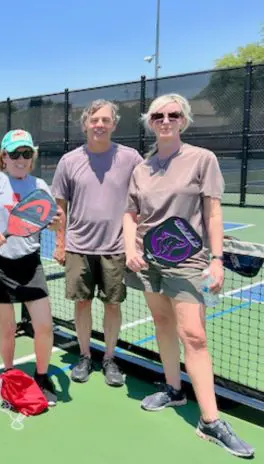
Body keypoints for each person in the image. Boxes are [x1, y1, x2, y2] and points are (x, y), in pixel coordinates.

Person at [123, 93, 254, 458]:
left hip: (188, 262)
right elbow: (130, 214)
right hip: (148, 261)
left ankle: (210, 421)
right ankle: (174, 390)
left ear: (183, 120)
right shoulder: (141, 168)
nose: (165, 120)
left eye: (173, 114)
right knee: (162, 323)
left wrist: (216, 259)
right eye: (158, 115)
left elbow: (212, 213)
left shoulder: (201, 159)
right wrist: (131, 248)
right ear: (150, 121)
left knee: (194, 336)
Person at [50, 100, 143, 387]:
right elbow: (60, 207)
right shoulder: (69, 161)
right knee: (82, 303)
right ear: (86, 124)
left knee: (112, 305)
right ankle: (85, 356)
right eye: (94, 120)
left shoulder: (131, 158)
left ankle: (110, 359)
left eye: (105, 120)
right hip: (78, 246)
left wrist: (135, 243)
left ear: (114, 124)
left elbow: (144, 198)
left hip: (115, 248)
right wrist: (60, 243)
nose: (99, 125)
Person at [0, 129, 62, 405]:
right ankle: (9, 374)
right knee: (6, 327)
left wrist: (57, 224)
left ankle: (42, 377)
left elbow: (51, 219)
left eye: (27, 153)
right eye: (15, 154)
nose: (21, 159)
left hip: (29, 264)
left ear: (32, 157)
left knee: (44, 326)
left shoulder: (39, 186)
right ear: (4, 157)